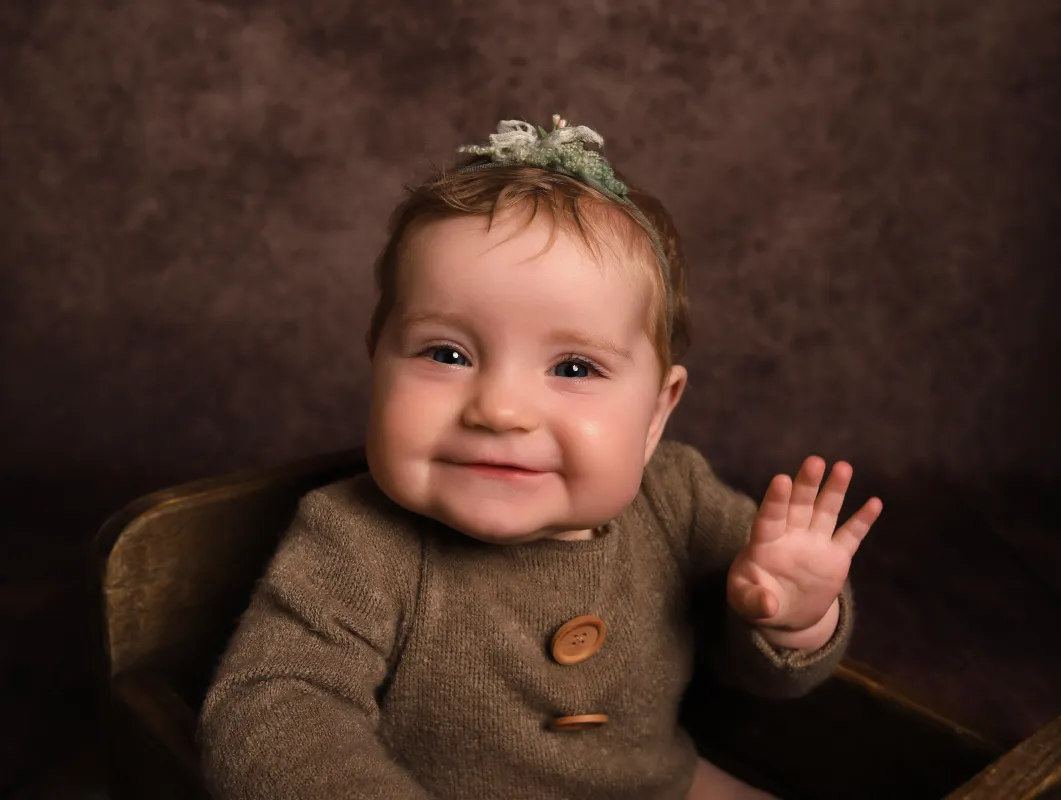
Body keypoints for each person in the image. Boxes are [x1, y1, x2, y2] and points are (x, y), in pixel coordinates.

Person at [200, 115, 883, 799]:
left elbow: (759, 676)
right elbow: (274, 703)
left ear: (655, 414)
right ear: (377, 361)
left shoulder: (680, 497)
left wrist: (793, 619)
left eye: (576, 368)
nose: (500, 410)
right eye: (447, 354)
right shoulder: (355, 541)